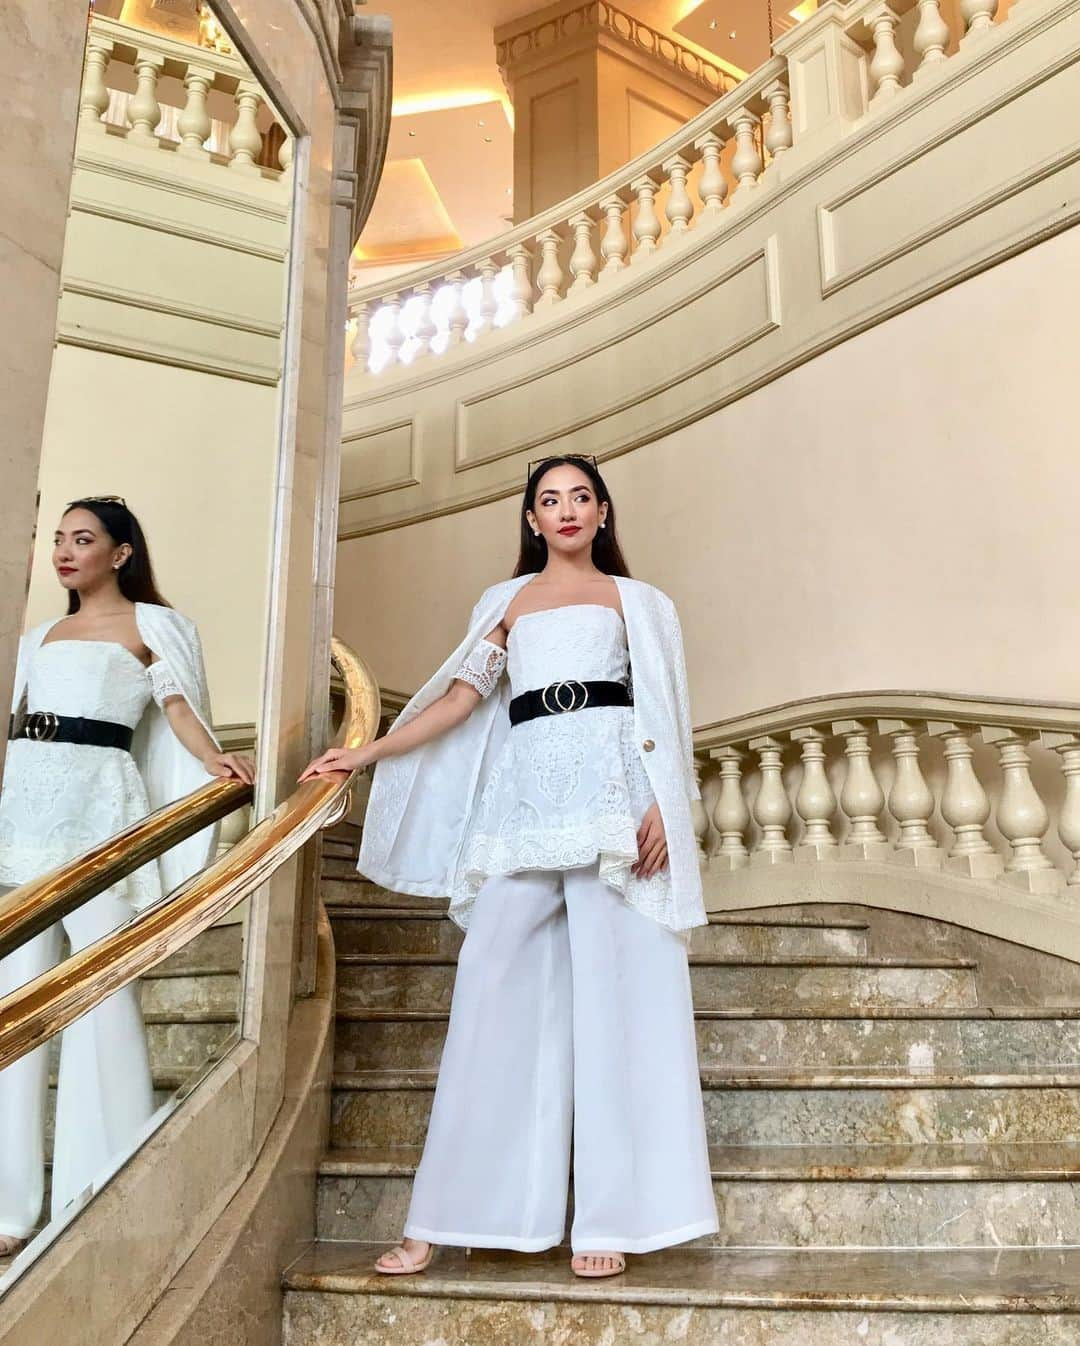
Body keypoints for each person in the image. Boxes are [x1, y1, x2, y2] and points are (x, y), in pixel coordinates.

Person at [301, 454, 717, 1279]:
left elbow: (667, 710)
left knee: (618, 1002)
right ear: (531, 519)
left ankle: (613, 1219)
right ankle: (445, 1215)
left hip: (613, 802)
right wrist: (367, 754)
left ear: (603, 513)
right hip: (527, 807)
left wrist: (667, 804)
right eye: (549, 500)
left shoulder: (640, 603)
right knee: (488, 989)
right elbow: (458, 700)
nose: (565, 510)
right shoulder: (507, 603)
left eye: (580, 498)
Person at [0, 496, 254, 1258]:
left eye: (84, 539)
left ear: (121, 553)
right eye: (58, 540)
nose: (65, 552)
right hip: (27, 807)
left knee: (98, 992)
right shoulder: (36, 636)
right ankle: (9, 1207)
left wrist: (213, 760)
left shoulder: (154, 626)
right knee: (15, 1001)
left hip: (99, 806)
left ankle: (104, 1181)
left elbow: (177, 705)